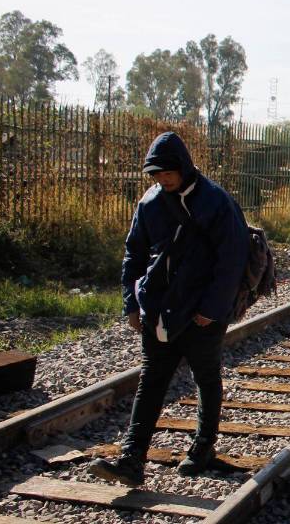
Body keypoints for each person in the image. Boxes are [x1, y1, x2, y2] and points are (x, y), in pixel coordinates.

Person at [88, 131, 248, 486]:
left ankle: (203, 447)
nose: (163, 179)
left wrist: (212, 308)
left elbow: (231, 260)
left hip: (201, 312)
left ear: (183, 166)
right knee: (152, 380)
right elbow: (134, 254)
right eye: (156, 175)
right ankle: (132, 459)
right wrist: (132, 303)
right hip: (159, 309)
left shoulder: (216, 202)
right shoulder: (150, 204)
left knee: (206, 377)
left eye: (168, 172)